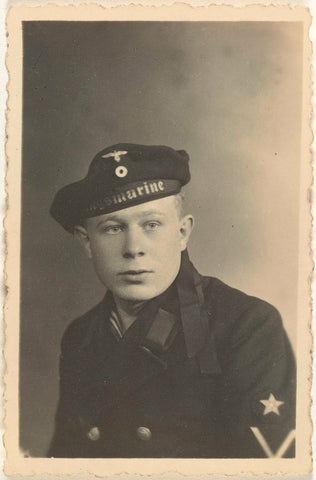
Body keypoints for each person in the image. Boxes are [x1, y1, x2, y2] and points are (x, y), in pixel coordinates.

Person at [48, 143, 296, 458]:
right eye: (113, 228)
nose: (133, 248)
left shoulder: (246, 326)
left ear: (182, 232)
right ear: (87, 243)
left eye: (151, 225)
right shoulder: (81, 336)